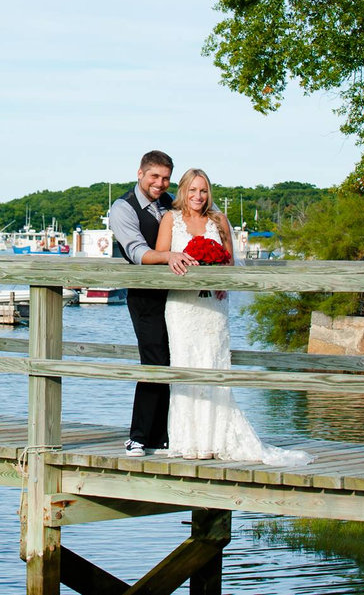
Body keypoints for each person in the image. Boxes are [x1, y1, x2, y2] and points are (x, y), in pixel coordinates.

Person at [154, 167, 313, 466]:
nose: (198, 196)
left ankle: (214, 439)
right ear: (183, 191)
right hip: (182, 306)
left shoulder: (219, 220)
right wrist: (175, 260)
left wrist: (219, 277)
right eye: (192, 190)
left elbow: (229, 262)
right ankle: (188, 441)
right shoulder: (170, 220)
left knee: (213, 364)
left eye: (203, 191)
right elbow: (162, 256)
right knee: (185, 364)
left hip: (213, 307)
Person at [110, 150, 198, 457]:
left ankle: (164, 436)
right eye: (154, 177)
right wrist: (169, 256)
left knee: (176, 358)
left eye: (165, 178)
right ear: (140, 174)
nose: (160, 183)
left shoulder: (170, 203)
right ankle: (138, 436)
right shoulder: (123, 207)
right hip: (145, 294)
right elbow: (136, 251)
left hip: (177, 295)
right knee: (154, 359)